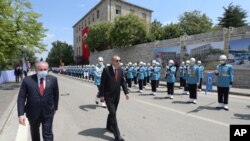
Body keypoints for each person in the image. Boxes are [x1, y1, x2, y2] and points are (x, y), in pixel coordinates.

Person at [17, 61, 59, 141]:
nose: (43, 71)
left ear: (48, 69)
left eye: (45, 69)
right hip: (33, 113)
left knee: (48, 134)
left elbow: (56, 95)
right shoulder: (27, 80)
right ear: (36, 70)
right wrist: (21, 114)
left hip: (48, 113)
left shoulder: (53, 79)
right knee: (34, 133)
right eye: (41, 69)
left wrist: (55, 108)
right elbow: (21, 97)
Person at [100, 55, 129, 141]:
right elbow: (102, 84)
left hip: (116, 96)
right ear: (113, 61)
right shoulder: (106, 70)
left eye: (120, 60)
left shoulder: (120, 70)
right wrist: (101, 95)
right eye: (117, 60)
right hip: (108, 97)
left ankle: (108, 126)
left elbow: (123, 82)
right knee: (113, 114)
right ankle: (117, 136)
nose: (119, 62)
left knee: (113, 113)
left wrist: (126, 92)